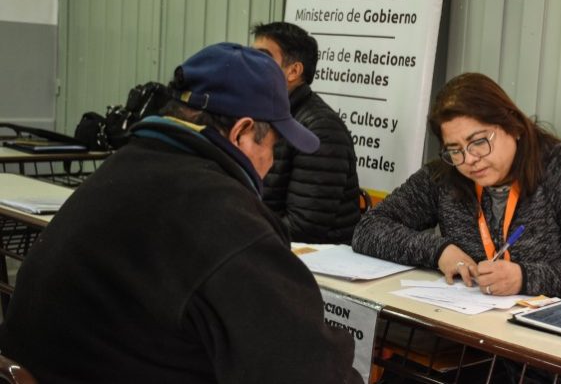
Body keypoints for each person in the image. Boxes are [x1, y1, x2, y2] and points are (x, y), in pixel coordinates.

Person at [0, 43, 361, 383]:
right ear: (242, 133)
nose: (270, 163)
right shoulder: (224, 217)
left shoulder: (123, 168)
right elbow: (309, 370)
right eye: (274, 147)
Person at [352, 73, 561, 303]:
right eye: (455, 149)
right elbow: (369, 228)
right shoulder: (444, 176)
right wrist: (438, 251)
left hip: (554, 338)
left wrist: (524, 278)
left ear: (513, 126)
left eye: (479, 142)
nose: (469, 159)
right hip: (473, 332)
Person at [252, 21, 360, 244]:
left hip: (312, 258)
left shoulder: (320, 128)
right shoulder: (258, 113)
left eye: (262, 58)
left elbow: (304, 227)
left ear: (293, 71)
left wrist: (239, 228)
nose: (250, 65)